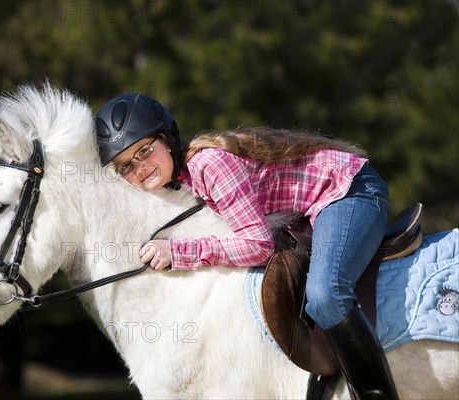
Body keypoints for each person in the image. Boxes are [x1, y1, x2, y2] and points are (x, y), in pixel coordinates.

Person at [94, 93, 398, 399]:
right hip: (310, 209)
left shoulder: (208, 166)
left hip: (348, 192)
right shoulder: (180, 180)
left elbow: (258, 245)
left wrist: (178, 252)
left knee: (325, 295)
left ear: (166, 138)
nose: (140, 167)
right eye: (125, 167)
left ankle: (376, 394)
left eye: (144, 150)